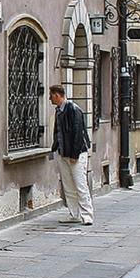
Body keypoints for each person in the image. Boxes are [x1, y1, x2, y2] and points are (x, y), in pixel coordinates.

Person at [49, 84, 93, 226]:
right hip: (63, 153)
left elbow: (78, 133)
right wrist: (55, 148)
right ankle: (74, 214)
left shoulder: (73, 109)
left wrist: (74, 154)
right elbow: (58, 132)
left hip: (76, 154)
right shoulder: (59, 111)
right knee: (68, 186)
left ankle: (87, 215)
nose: (50, 98)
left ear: (57, 95)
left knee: (80, 185)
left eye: (51, 95)